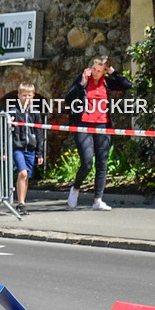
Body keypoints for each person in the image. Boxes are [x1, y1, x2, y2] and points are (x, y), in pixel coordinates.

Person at [64, 56, 132, 211]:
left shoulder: (107, 82)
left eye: (99, 70)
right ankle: (75, 189)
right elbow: (69, 98)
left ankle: (97, 200)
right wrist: (81, 83)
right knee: (87, 162)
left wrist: (113, 72)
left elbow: (127, 85)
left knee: (102, 162)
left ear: (104, 72)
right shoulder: (84, 79)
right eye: (94, 68)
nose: (95, 72)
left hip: (103, 124)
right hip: (83, 124)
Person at [12, 82, 44, 215]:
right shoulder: (13, 111)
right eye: (24, 95)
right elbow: (5, 132)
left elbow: (40, 133)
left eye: (29, 96)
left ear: (33, 96)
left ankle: (22, 202)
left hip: (30, 148)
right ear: (19, 96)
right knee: (22, 173)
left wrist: (40, 152)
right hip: (17, 147)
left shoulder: (35, 113)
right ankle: (20, 203)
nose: (27, 98)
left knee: (26, 177)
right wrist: (4, 151)